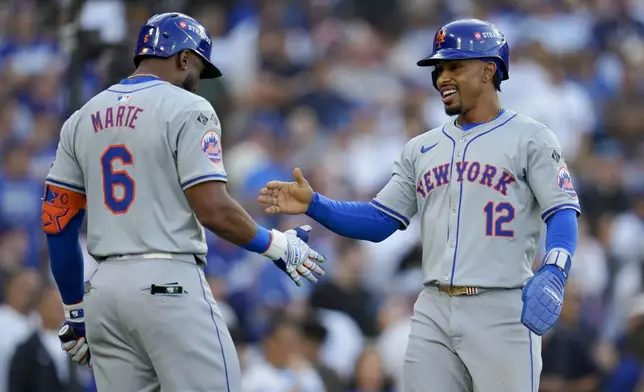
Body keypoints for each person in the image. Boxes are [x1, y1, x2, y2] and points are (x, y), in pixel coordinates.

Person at [258, 19, 580, 392]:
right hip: (433, 309)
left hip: (502, 307)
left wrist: (555, 269)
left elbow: (561, 210)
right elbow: (380, 220)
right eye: (438, 69)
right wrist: (315, 204)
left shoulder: (532, 137)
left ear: (489, 70)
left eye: (454, 66)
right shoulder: (421, 148)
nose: (442, 77)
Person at [41, 12, 325, 392]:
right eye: (199, 69)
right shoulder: (188, 107)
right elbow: (213, 210)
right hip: (167, 283)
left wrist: (75, 312)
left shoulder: (82, 117)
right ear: (184, 58)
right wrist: (278, 246)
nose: (197, 82)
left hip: (104, 293)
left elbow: (57, 223)